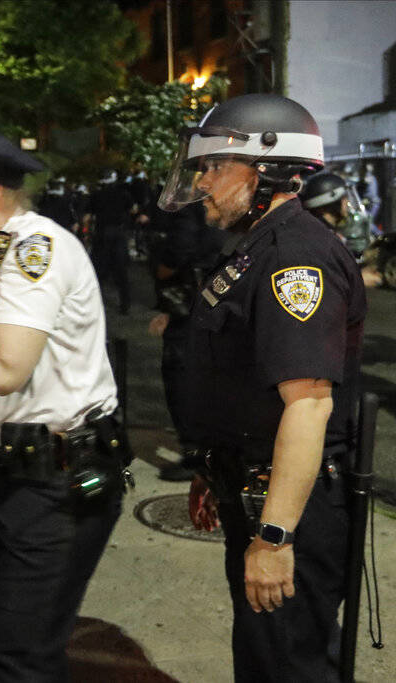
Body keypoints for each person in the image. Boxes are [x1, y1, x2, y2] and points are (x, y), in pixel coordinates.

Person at [158, 93, 365, 682]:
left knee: (286, 665)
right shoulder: (257, 247)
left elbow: (309, 405)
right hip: (250, 484)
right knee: (263, 657)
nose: (203, 182)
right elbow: (238, 381)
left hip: (286, 504)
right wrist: (212, 467)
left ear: (267, 168)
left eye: (215, 165)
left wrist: (274, 538)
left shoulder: (295, 258)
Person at [0, 123, 127, 681]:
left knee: (19, 654)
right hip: (11, 476)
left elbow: (7, 371)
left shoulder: (33, 250)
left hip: (56, 481)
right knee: (8, 636)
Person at [146, 202, 226, 481]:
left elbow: (179, 247)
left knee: (180, 378)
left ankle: (195, 455)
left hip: (191, 301)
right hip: (207, 300)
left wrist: (162, 267)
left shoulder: (192, 206)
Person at [300, 171, 381, 287]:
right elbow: (316, 282)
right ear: (330, 202)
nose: (347, 202)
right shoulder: (319, 239)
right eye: (343, 199)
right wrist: (359, 279)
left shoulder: (321, 231)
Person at [90, 169, 135, 314]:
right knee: (121, 272)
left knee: (98, 273)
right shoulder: (124, 194)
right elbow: (132, 209)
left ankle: (94, 306)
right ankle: (125, 304)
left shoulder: (96, 195)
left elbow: (89, 214)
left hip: (102, 234)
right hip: (118, 234)